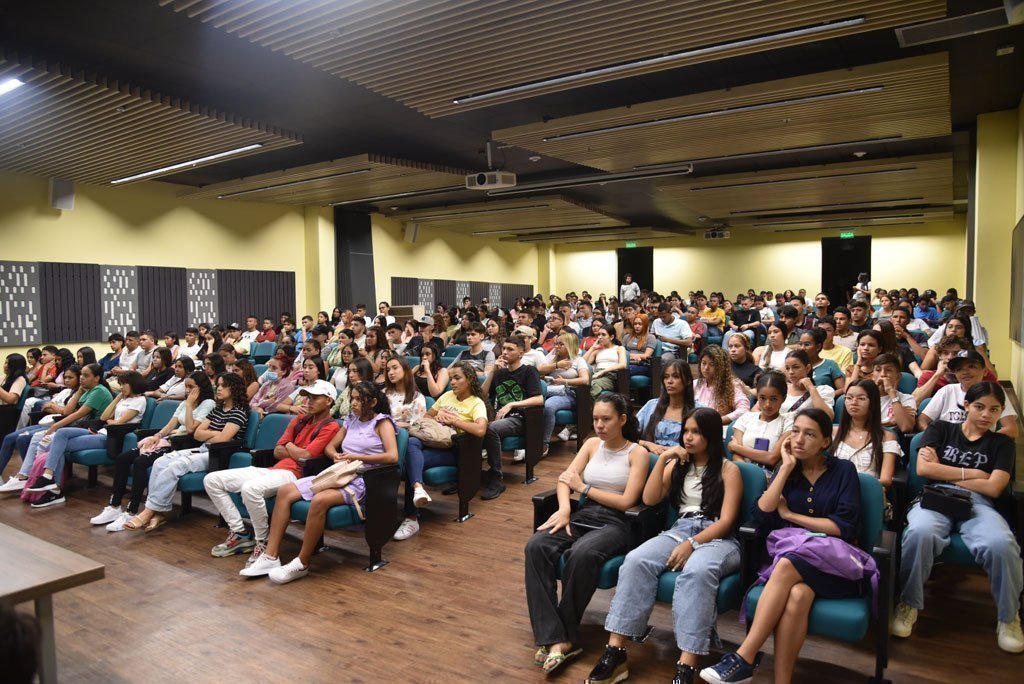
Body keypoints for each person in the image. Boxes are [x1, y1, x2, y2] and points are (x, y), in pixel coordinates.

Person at [701, 409, 866, 684]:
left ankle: (745, 657)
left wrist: (791, 517)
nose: (799, 439)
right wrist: (786, 466)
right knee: (798, 596)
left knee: (788, 563)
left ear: (826, 441)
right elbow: (761, 514)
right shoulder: (787, 472)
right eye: (796, 431)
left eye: (810, 434)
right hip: (797, 570)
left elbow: (843, 528)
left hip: (836, 566)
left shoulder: (843, 471)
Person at [587, 408, 742, 684]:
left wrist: (693, 544)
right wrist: (664, 460)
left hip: (717, 537)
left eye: (696, 432)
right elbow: (649, 498)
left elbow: (728, 521)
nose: (689, 437)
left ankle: (687, 665)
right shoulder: (679, 466)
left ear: (711, 435)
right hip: (680, 528)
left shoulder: (729, 470)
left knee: (697, 571)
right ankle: (616, 651)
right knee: (635, 560)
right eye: (686, 431)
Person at [893, 382, 1023, 653]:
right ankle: (908, 604)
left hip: (979, 504)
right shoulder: (942, 429)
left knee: (1001, 544)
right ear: (966, 405)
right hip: (936, 497)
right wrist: (974, 474)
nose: (986, 415)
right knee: (919, 533)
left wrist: (944, 469)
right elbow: (923, 468)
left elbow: (995, 488)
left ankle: (1008, 617)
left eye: (994, 409)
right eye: (979, 406)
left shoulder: (1001, 444)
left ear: (1001, 412)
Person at [525, 393, 648, 675]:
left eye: (606, 419)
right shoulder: (591, 444)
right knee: (536, 545)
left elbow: (628, 501)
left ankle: (565, 638)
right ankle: (553, 634)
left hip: (616, 522)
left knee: (581, 553)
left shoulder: (636, 453)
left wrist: (583, 489)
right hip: (583, 514)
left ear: (622, 420)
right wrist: (565, 508)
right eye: (596, 419)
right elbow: (565, 479)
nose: (600, 425)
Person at [206, 379, 341, 563]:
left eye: (315, 398)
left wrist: (290, 445)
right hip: (274, 469)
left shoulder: (331, 426)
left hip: (295, 475)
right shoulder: (299, 420)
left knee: (250, 489)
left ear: (329, 401)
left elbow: (307, 456)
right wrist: (294, 450)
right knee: (212, 480)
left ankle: (263, 542)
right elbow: (278, 450)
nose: (308, 401)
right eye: (307, 397)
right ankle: (240, 533)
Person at [91, 371, 216, 532]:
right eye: (186, 387)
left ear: (201, 388)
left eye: (191, 387)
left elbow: (192, 429)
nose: (187, 391)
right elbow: (171, 424)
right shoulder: (185, 403)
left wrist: (190, 405)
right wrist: (156, 436)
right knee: (123, 458)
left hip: (183, 445)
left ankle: (132, 510)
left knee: (140, 462)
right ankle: (114, 506)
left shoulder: (208, 404)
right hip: (170, 439)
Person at [127, 373, 249, 531]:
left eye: (223, 385)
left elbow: (223, 439)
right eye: (218, 385)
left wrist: (210, 433)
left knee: (175, 467)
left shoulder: (238, 412)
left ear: (234, 388)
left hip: (217, 454)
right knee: (160, 462)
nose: (218, 388)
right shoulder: (218, 409)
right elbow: (198, 434)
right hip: (203, 448)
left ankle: (149, 511)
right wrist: (213, 434)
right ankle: (158, 513)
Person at [394, 361, 489, 541]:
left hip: (455, 449)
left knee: (411, 462)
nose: (452, 382)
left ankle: (412, 517)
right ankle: (418, 488)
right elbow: (427, 416)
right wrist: (438, 416)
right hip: (432, 440)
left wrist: (454, 420)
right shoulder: (446, 396)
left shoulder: (476, 403)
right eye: (451, 378)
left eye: (457, 378)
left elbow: (480, 430)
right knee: (412, 442)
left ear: (469, 380)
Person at [23, 371, 147, 507]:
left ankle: (54, 488)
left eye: (124, 384)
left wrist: (113, 421)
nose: (121, 387)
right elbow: (104, 417)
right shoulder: (123, 399)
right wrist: (118, 399)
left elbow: (119, 422)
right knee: (62, 433)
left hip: (110, 438)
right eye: (120, 384)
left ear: (134, 384)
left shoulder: (140, 401)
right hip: (100, 431)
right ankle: (48, 477)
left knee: (60, 445)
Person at [480, 335, 543, 496]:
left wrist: (511, 404)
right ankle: (469, 475)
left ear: (521, 353)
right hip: (502, 418)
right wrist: (492, 372)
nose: (505, 352)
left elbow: (539, 399)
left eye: (510, 349)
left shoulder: (529, 371)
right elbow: (482, 395)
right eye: (504, 348)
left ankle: (496, 478)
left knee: (491, 428)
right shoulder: (500, 374)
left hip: (521, 418)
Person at [917, 351, 1018, 439]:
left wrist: (984, 441)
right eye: (959, 369)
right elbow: (922, 420)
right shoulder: (946, 391)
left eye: (971, 366)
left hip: (981, 450)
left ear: (985, 371)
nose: (965, 372)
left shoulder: (995, 391)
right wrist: (933, 437)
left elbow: (1012, 429)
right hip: (947, 447)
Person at [832, 380, 900, 492]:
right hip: (834, 491)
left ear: (873, 402)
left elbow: (886, 480)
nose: (853, 402)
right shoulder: (832, 432)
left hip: (867, 492)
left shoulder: (887, 436)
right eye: (849, 398)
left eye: (861, 398)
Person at [729, 370, 788, 475]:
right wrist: (751, 476)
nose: (767, 405)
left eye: (773, 399)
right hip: (740, 474)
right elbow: (736, 456)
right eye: (762, 398)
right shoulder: (746, 418)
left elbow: (772, 458)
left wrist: (736, 447)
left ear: (783, 398)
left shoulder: (788, 423)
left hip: (771, 479)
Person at [538, 333, 591, 447]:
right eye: (556, 343)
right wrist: (556, 365)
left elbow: (585, 380)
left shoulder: (578, 360)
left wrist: (565, 381)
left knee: (548, 406)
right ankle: (528, 442)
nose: (556, 346)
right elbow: (539, 370)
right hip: (548, 390)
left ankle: (544, 444)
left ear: (570, 346)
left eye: (561, 344)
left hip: (567, 394)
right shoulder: (552, 356)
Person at [636, 359, 696, 454]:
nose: (669, 381)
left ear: (688, 381)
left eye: (676, 376)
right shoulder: (651, 405)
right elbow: (628, 435)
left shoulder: (698, 410)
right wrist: (647, 444)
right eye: (666, 377)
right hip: (650, 459)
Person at [693, 346, 749, 426]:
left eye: (712, 364)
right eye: (703, 363)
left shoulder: (732, 385)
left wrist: (720, 420)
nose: (706, 368)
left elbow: (744, 409)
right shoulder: (695, 384)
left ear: (721, 366)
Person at [779, 350, 835, 424]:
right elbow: (759, 409)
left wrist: (811, 388)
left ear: (807, 368)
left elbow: (827, 418)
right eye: (787, 368)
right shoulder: (781, 388)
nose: (791, 372)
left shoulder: (822, 390)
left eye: (796, 367)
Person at [872, 353, 917, 434]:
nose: (882, 374)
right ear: (872, 376)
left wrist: (891, 393)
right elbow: (856, 425)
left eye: (888, 370)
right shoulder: (864, 397)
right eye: (878, 370)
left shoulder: (907, 399)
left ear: (898, 376)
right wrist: (888, 423)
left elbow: (906, 427)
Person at [584, 327, 627, 399]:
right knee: (583, 385)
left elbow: (623, 364)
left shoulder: (619, 348)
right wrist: (592, 348)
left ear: (611, 337)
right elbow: (582, 364)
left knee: (592, 385)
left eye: (603, 335)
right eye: (599, 335)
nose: (600, 337)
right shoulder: (597, 351)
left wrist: (603, 371)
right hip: (596, 374)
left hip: (610, 375)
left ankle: (592, 409)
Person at [622, 313, 656, 377]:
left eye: (640, 324)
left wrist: (628, 355)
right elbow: (621, 353)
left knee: (625, 371)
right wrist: (632, 356)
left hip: (642, 364)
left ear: (645, 325)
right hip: (626, 362)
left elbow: (646, 356)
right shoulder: (626, 337)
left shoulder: (650, 337)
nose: (637, 326)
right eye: (635, 324)